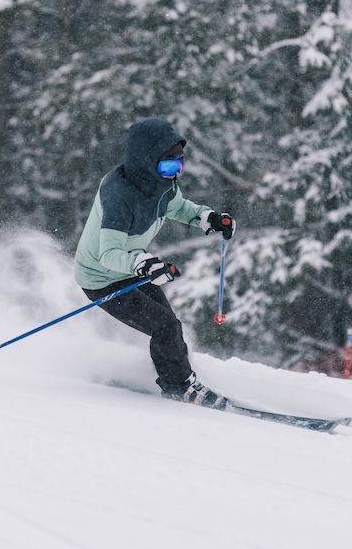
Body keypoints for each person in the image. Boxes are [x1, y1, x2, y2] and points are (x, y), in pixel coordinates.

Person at [74, 117, 236, 408]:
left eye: (178, 164)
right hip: (100, 278)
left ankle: (179, 376)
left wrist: (207, 218)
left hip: (130, 267)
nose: (173, 173)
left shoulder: (162, 186)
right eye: (167, 166)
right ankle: (178, 386)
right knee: (164, 325)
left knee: (169, 323)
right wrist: (144, 265)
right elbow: (107, 254)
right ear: (145, 161)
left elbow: (179, 207)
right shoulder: (119, 197)